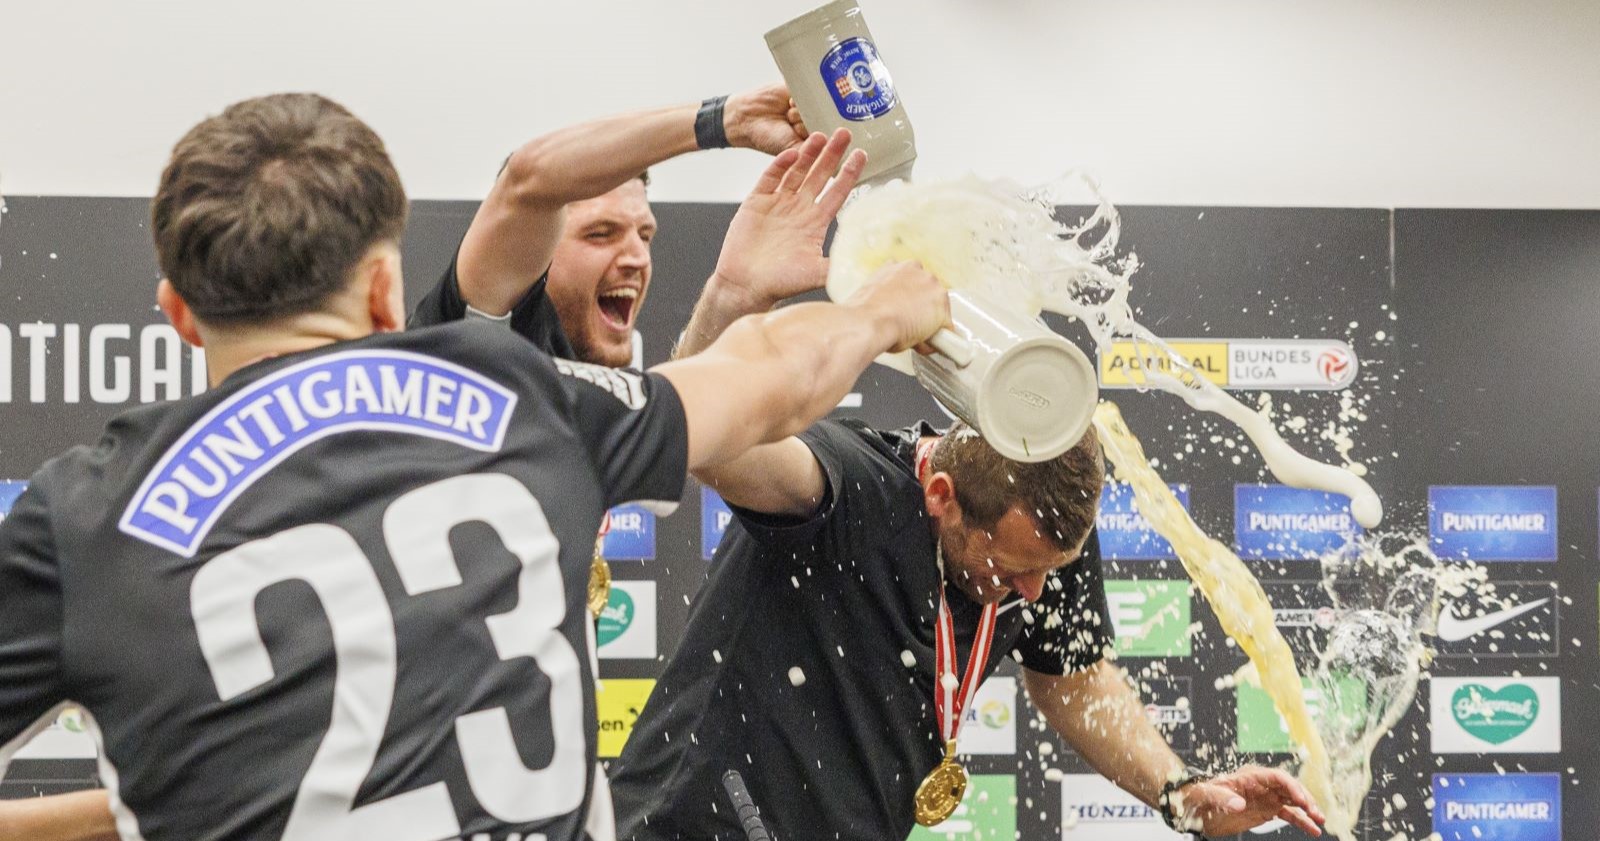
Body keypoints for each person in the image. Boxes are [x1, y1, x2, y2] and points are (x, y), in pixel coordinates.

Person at [0, 92, 949, 841]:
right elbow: (767, 377)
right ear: (381, 291)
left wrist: (148, 804)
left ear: (175, 310)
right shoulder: (514, 403)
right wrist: (884, 312)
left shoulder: (82, 517)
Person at [599, 255, 1332, 840]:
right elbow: (705, 435)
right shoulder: (845, 485)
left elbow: (1073, 679)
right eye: (1013, 570)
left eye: (1049, 571)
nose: (1036, 593)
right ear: (942, 496)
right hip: (688, 822)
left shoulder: (1047, 540)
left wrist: (1181, 793)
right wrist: (736, 290)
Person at [409, 84, 808, 363]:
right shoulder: (480, 341)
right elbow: (528, 177)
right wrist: (728, 119)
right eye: (601, 234)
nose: (637, 257)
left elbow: (693, 412)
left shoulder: (616, 408)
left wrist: (734, 294)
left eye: (644, 235)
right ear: (536, 249)